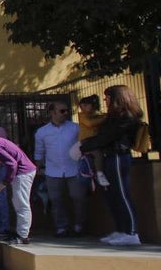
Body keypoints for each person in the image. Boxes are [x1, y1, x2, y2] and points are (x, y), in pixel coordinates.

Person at [81, 85, 144, 246]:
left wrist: (83, 146)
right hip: (108, 157)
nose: (105, 100)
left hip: (118, 156)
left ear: (117, 98)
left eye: (108, 97)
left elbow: (107, 137)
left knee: (121, 193)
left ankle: (131, 232)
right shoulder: (112, 117)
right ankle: (121, 230)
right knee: (111, 195)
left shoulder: (126, 117)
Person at [35, 101, 87, 237]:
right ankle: (61, 227)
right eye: (62, 111)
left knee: (78, 197)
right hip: (52, 171)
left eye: (66, 110)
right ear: (52, 113)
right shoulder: (42, 132)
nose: (66, 113)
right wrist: (39, 168)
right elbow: (39, 152)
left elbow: (84, 145)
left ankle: (79, 225)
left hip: (74, 169)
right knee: (56, 200)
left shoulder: (75, 128)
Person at [77, 95, 109, 188]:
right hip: (86, 140)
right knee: (97, 153)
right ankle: (99, 173)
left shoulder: (97, 115)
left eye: (86, 105)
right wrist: (105, 118)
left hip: (95, 140)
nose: (83, 108)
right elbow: (90, 123)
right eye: (82, 106)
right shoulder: (82, 116)